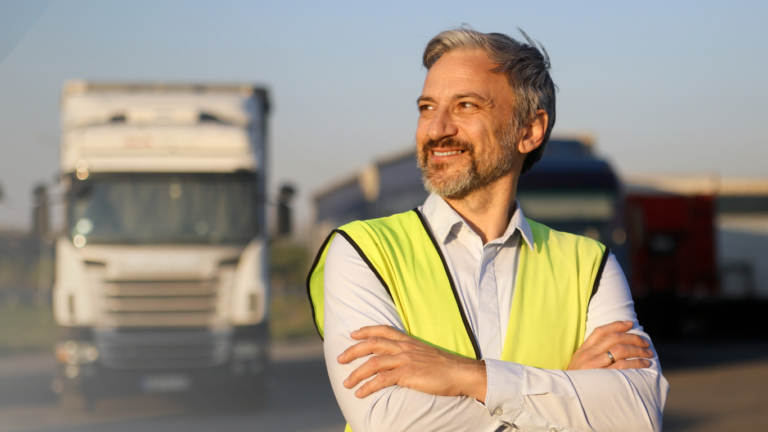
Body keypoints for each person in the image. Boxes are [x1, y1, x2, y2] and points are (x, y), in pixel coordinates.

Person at [307, 27, 669, 432]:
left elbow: (636, 416)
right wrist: (566, 385)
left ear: (530, 130)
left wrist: (468, 376)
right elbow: (390, 421)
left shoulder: (590, 265)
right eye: (427, 107)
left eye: (465, 105)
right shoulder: (361, 250)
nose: (436, 128)